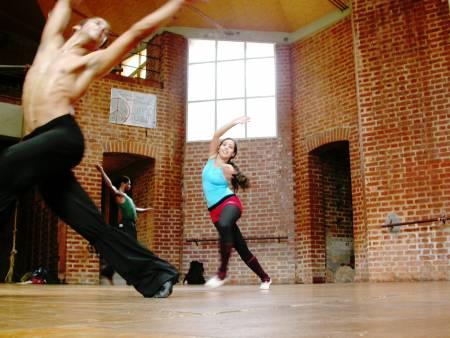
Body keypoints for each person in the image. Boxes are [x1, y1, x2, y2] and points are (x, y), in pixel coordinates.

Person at [0, 0, 191, 297]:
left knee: (6, 164)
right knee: (90, 224)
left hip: (61, 137)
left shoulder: (91, 61)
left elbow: (138, 31)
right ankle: (156, 275)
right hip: (39, 147)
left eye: (106, 32)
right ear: (77, 26)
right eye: (98, 22)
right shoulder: (48, 47)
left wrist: (176, 4)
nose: (103, 29)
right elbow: (62, 6)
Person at [202, 116, 272, 290]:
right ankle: (265, 277)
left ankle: (222, 273)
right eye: (225, 144)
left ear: (232, 154)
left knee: (225, 224)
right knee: (241, 248)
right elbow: (216, 134)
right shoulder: (211, 159)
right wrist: (235, 122)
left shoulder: (229, 168)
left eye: (230, 147)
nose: (226, 147)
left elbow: (232, 179)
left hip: (230, 203)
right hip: (214, 210)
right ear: (219, 148)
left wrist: (230, 174)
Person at [96, 165, 150, 283]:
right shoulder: (119, 194)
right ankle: (128, 276)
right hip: (125, 225)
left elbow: (134, 209)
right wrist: (102, 171)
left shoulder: (126, 197)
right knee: (130, 250)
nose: (130, 186)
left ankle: (110, 271)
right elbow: (109, 185)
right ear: (123, 183)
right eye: (129, 183)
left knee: (128, 250)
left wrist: (147, 210)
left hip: (130, 225)